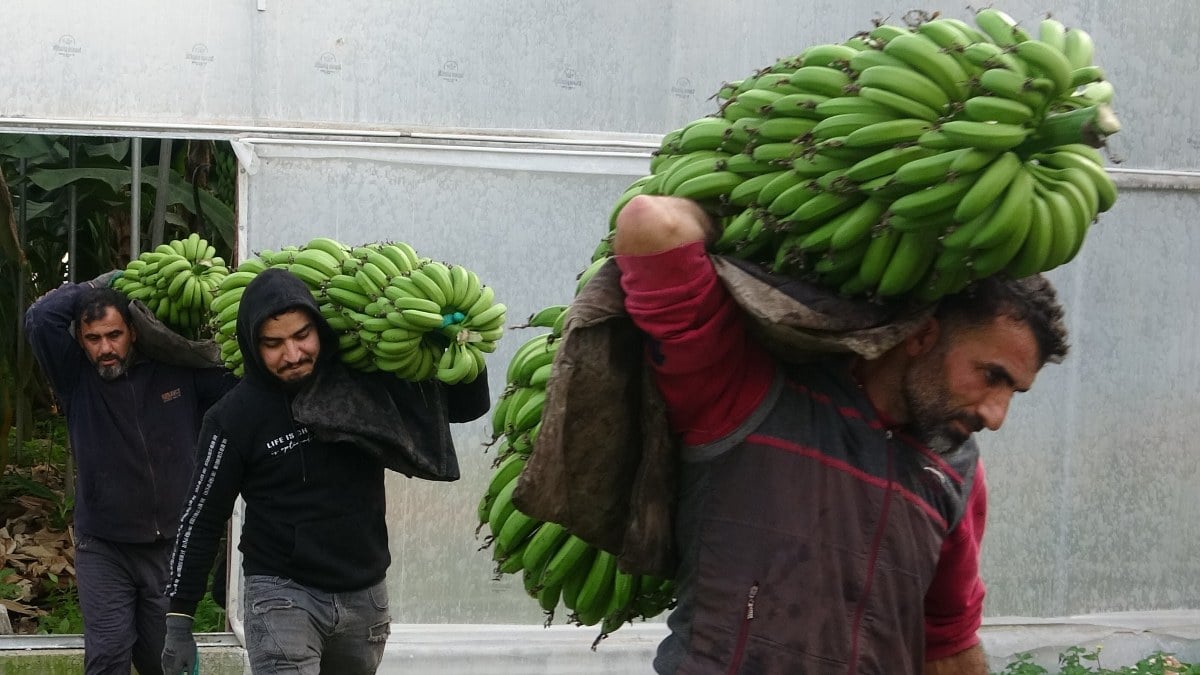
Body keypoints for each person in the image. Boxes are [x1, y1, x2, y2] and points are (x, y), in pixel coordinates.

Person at [611, 195, 1070, 675]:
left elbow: (949, 641)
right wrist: (770, 218)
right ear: (922, 337)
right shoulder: (743, 391)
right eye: (991, 375)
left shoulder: (955, 469)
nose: (996, 416)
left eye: (1014, 391)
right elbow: (651, 224)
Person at [161, 268, 490, 675]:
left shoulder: (361, 384)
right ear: (251, 344)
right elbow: (202, 516)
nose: (293, 354)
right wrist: (179, 619)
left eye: (302, 336)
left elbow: (464, 409)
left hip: (364, 593)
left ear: (319, 328)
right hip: (282, 593)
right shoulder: (234, 417)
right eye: (274, 343)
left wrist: (456, 345)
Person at [23, 272, 236, 675]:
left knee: (166, 662)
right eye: (93, 338)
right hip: (104, 547)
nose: (105, 348)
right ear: (81, 341)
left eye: (114, 335)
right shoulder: (76, 379)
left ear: (134, 332)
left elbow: (238, 377)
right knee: (107, 657)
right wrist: (108, 282)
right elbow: (40, 317)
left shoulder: (177, 369)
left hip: (169, 549)